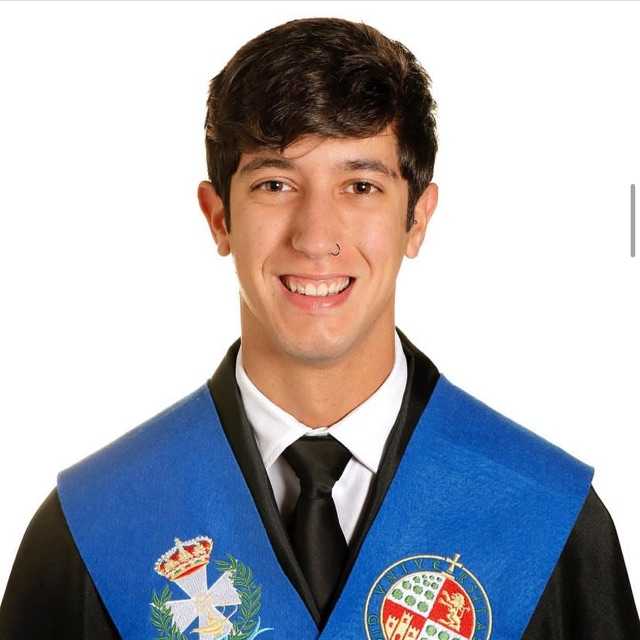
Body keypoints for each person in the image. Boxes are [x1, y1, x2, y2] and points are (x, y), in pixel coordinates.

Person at [1, 16, 638, 640]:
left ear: (416, 220)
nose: (315, 237)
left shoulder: (544, 521)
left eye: (360, 186)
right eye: (275, 184)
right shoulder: (96, 532)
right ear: (219, 218)